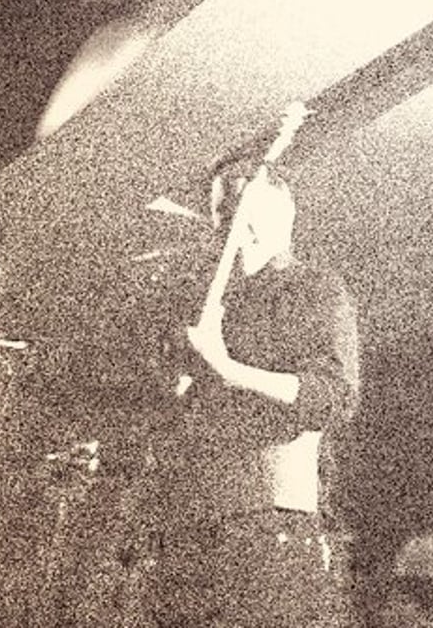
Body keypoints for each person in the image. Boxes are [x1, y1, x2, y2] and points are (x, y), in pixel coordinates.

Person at [150, 176, 363, 628]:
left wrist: (230, 370)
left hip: (270, 518)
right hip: (194, 519)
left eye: (238, 213)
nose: (226, 228)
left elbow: (334, 397)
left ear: (280, 218)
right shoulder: (208, 300)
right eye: (220, 215)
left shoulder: (314, 289)